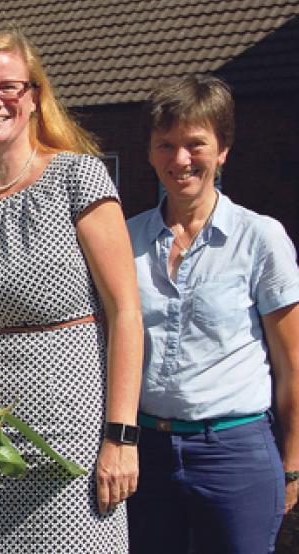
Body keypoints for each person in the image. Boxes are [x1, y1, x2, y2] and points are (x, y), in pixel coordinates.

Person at [0, 29, 143, 552]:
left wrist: (121, 437)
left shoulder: (79, 179)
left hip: (78, 451)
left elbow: (127, 314)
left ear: (35, 96)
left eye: (8, 87)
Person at [126, 75, 299, 553]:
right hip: (146, 454)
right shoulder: (125, 240)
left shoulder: (260, 239)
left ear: (223, 150)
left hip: (235, 453)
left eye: (195, 144)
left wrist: (293, 465)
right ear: (150, 153)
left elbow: (292, 366)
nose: (180, 160)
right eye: (166, 145)